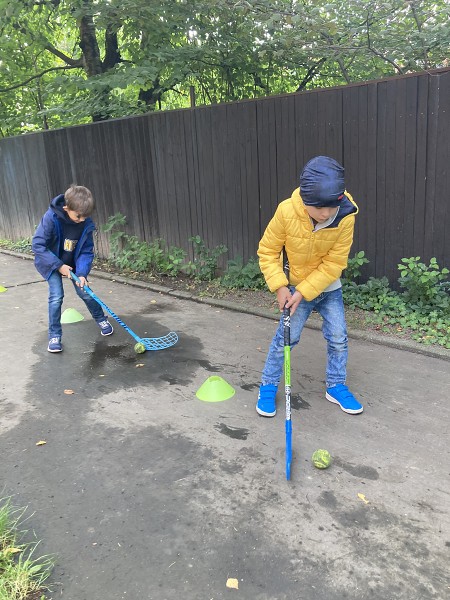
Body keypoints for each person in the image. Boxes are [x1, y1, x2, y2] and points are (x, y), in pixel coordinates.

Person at [256, 156, 363, 416]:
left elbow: (335, 262)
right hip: (293, 289)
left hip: (329, 288)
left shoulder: (346, 215)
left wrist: (305, 291)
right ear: (305, 201)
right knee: (286, 338)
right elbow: (267, 251)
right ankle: (267, 385)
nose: (326, 213)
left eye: (331, 206)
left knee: (338, 338)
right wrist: (281, 287)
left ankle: (335, 385)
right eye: (319, 208)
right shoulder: (286, 211)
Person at [32, 184, 113, 353]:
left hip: (73, 263)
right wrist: (59, 266)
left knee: (85, 291)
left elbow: (85, 250)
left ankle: (101, 319)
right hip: (51, 262)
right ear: (66, 208)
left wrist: (82, 273)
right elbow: (38, 245)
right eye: (78, 216)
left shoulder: (85, 223)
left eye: (85, 216)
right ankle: (54, 335)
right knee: (56, 296)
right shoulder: (51, 218)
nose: (82, 220)